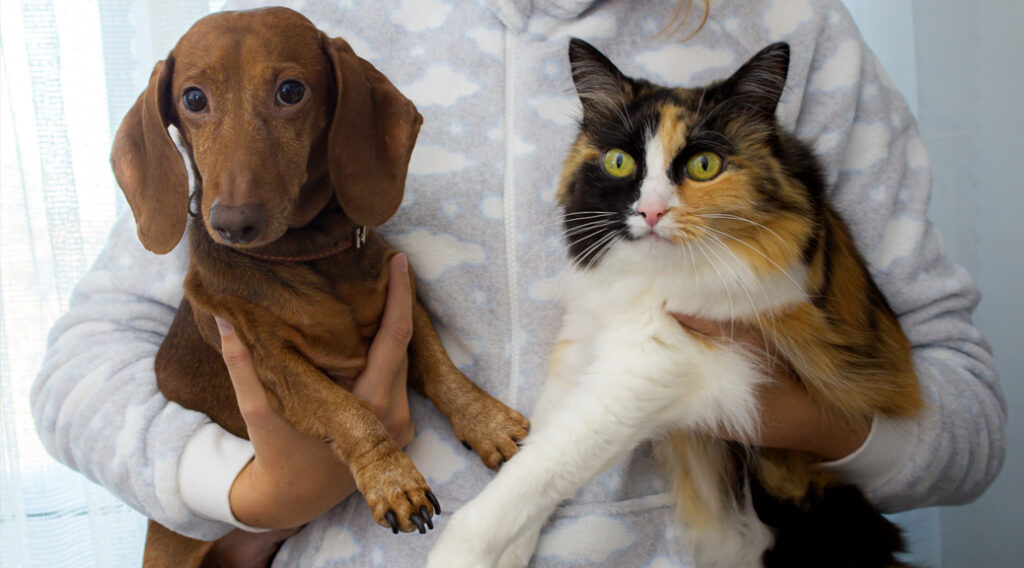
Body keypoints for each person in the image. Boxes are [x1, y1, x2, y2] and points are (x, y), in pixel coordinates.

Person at [32, 0, 1005, 565]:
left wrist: (791, 411)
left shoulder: (791, 32)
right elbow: (79, 373)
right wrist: (249, 486)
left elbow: (967, 425)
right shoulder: (303, 42)